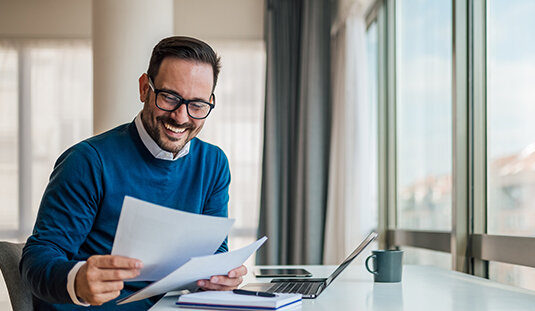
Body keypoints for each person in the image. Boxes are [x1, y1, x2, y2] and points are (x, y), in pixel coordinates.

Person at [20, 36, 247, 310]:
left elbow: (213, 254)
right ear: (144, 89)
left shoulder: (213, 163)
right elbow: (38, 258)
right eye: (169, 97)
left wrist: (220, 276)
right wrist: (77, 280)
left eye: (197, 105)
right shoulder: (88, 161)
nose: (181, 117)